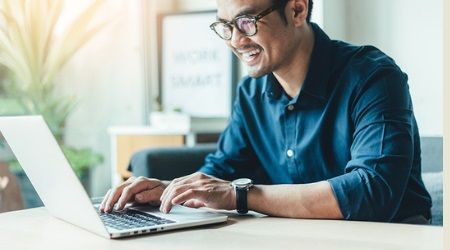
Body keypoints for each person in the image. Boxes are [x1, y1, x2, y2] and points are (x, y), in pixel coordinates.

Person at [101, 0, 432, 224]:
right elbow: (221, 171)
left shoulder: (373, 77)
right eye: (225, 26)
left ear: (297, 10)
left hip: (387, 237)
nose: (236, 40)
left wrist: (241, 196)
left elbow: (372, 192)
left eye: (246, 22)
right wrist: (168, 188)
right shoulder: (251, 93)